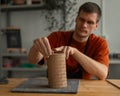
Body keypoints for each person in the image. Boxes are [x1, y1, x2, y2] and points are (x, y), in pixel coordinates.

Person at [28, 2, 109, 80]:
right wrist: (36, 47)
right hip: (55, 86)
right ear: (76, 19)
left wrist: (75, 52)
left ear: (96, 26)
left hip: (83, 88)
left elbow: (103, 74)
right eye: (81, 19)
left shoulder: (100, 43)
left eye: (90, 22)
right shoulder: (57, 37)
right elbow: (33, 60)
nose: (84, 25)